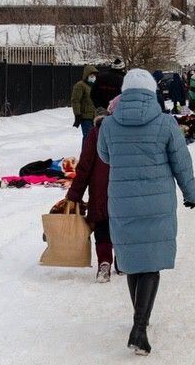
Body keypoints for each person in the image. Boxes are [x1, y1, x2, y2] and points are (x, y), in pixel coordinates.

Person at [97, 69, 195, 356]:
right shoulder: (165, 123)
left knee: (133, 260)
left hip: (123, 201)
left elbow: (105, 156)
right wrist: (190, 194)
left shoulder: (109, 125)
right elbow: (182, 162)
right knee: (151, 263)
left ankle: (139, 321)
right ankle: (139, 327)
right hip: (157, 203)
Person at [65, 94, 120, 282]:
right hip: (124, 188)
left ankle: (104, 263)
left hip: (100, 190)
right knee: (121, 225)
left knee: (103, 226)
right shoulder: (124, 133)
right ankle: (122, 261)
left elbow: (85, 166)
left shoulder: (94, 135)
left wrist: (75, 193)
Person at [71, 65, 98, 138]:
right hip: (85, 116)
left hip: (94, 116)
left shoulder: (94, 86)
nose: (93, 77)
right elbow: (76, 101)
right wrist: (77, 114)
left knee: (94, 137)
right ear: (87, 75)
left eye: (94, 75)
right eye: (91, 75)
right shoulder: (80, 85)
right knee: (88, 137)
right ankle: (85, 149)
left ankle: (90, 149)